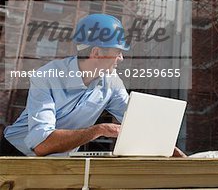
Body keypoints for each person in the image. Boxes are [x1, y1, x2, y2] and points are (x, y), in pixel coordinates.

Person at [0, 13, 186, 157]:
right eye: (118, 51)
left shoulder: (112, 82)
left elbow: (137, 122)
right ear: (97, 52)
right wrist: (100, 129)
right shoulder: (47, 77)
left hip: (56, 161)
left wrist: (171, 150)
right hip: (12, 154)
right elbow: (41, 144)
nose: (121, 58)